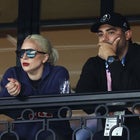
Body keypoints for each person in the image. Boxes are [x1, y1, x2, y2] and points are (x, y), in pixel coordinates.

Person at [76, 12, 140, 140]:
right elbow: (85, 103)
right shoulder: (94, 63)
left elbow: (132, 91)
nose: (104, 39)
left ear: (127, 35)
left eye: (110, 32)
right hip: (108, 130)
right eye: (100, 34)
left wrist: (111, 59)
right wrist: (117, 104)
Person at [0, 34, 73, 140]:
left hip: (54, 134)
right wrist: (11, 91)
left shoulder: (59, 72)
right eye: (21, 53)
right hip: (22, 136)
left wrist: (22, 91)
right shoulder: (13, 73)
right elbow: (4, 105)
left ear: (45, 57)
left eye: (30, 53)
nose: (24, 57)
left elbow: (56, 104)